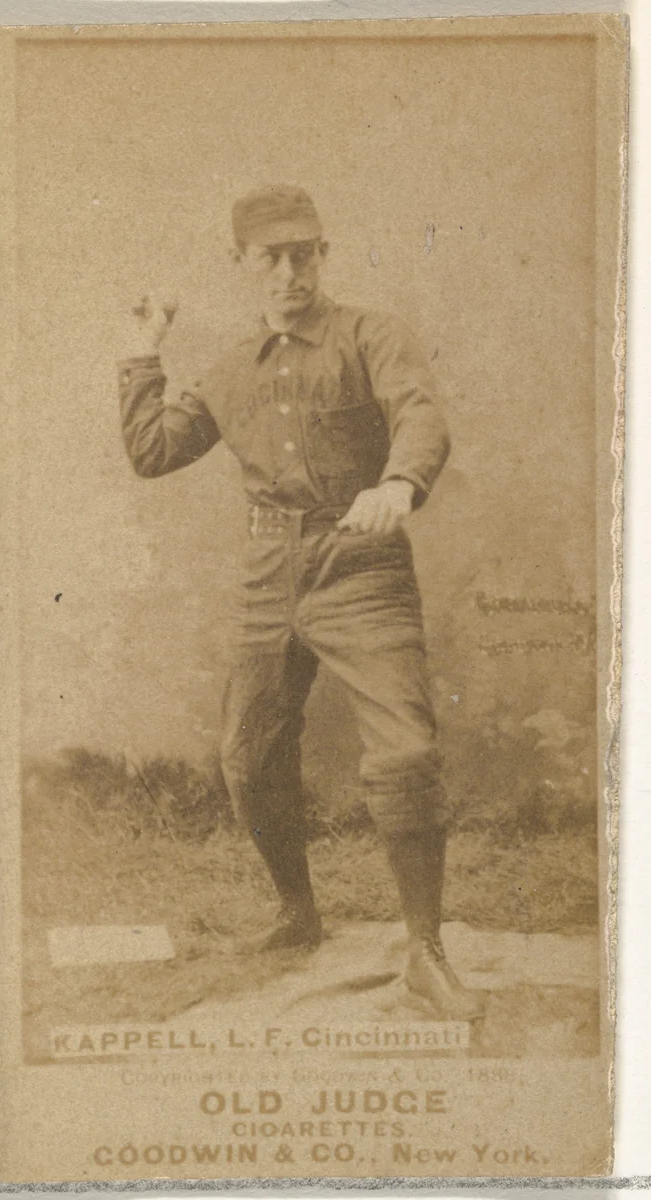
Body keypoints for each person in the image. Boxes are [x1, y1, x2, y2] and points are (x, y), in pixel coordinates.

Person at [118, 184, 484, 1021]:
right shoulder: (226, 368)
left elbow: (420, 415)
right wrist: (141, 353)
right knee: (248, 756)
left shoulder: (371, 336)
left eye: (304, 254)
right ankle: (298, 911)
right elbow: (152, 451)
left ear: (323, 254)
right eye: (271, 258)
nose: (290, 273)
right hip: (264, 573)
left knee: (404, 753)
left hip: (361, 564)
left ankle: (424, 954)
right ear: (241, 265)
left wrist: (398, 482)